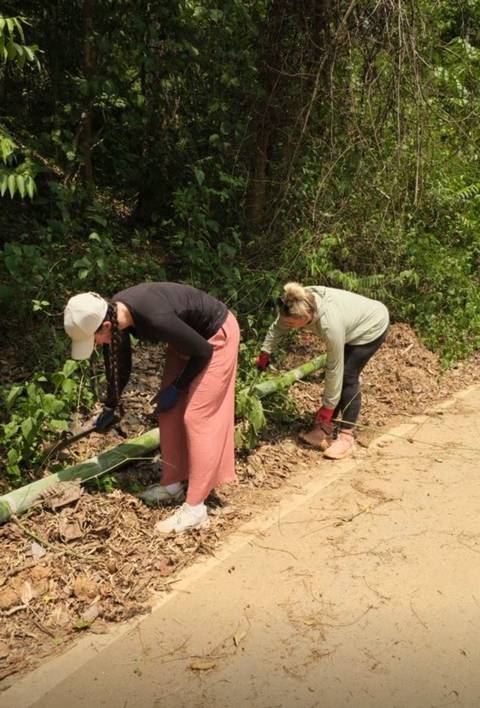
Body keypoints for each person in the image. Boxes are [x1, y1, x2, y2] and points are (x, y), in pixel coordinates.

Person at [63, 282, 240, 534]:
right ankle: (173, 483)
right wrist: (111, 405)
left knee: (196, 417)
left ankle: (196, 509)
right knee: (167, 411)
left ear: (105, 327)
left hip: (214, 337)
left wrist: (178, 387)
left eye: (95, 339)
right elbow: (119, 364)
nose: (98, 345)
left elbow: (203, 351)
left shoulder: (153, 317)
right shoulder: (115, 315)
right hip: (187, 339)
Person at [256, 282, 389, 459]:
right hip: (350, 324)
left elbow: (334, 368)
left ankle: (346, 436)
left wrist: (327, 407)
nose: (287, 324)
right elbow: (277, 327)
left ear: (305, 317)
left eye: (291, 323)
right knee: (341, 377)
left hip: (372, 326)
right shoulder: (294, 302)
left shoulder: (329, 325)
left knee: (347, 376)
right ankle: (325, 429)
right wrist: (265, 351)